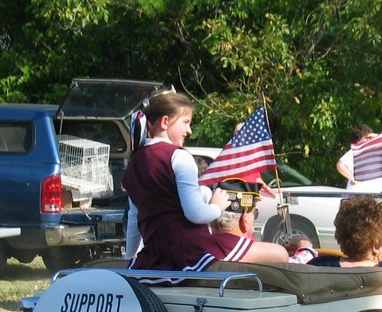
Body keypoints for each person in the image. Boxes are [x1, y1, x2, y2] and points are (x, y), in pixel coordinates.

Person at [121, 89, 232, 272]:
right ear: (165, 122)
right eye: (186, 122)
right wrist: (217, 206)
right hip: (193, 256)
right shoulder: (179, 157)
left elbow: (134, 218)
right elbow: (195, 213)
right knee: (278, 253)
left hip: (154, 257)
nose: (189, 131)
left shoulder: (134, 162)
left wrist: (130, 259)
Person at [209, 179, 318, 263]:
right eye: (255, 213)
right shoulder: (274, 254)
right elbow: (299, 269)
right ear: (245, 220)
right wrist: (305, 246)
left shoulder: (199, 248)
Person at [336, 124, 382, 192]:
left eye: (370, 138)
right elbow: (340, 165)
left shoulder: (373, 151)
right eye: (366, 138)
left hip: (375, 193)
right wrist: (352, 178)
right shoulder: (356, 151)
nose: (369, 140)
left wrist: (372, 135)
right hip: (359, 194)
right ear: (358, 140)